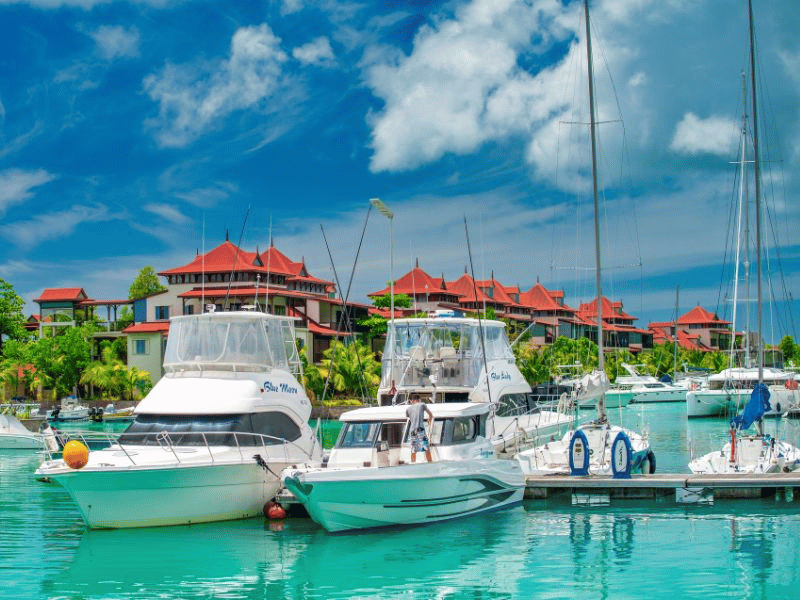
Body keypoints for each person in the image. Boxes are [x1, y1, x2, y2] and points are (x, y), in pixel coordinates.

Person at [406, 394, 433, 463]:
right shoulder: (422, 405)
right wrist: (429, 421)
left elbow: (409, 417)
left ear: (412, 400)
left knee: (413, 450)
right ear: (418, 399)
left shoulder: (408, 409)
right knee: (426, 448)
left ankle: (413, 463)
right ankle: (430, 463)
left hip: (412, 432)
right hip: (420, 430)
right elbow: (430, 414)